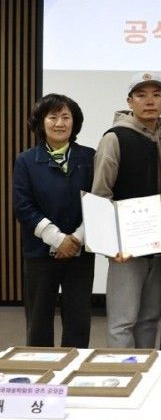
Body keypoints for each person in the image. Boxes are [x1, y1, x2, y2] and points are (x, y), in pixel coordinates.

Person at [92, 72, 161, 348]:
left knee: (150, 318)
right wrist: (111, 245)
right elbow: (100, 195)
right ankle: (123, 372)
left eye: (156, 95)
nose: (149, 101)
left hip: (160, 245)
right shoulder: (115, 138)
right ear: (130, 101)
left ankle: (145, 370)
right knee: (122, 322)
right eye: (141, 95)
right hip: (126, 250)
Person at [13, 94, 95, 347]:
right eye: (53, 117)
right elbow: (23, 206)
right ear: (41, 122)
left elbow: (98, 200)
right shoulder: (26, 160)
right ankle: (42, 370)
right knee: (38, 321)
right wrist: (58, 240)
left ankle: (75, 368)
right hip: (40, 252)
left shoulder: (89, 157)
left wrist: (76, 239)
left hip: (80, 251)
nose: (60, 123)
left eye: (66, 117)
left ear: (74, 122)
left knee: (78, 320)